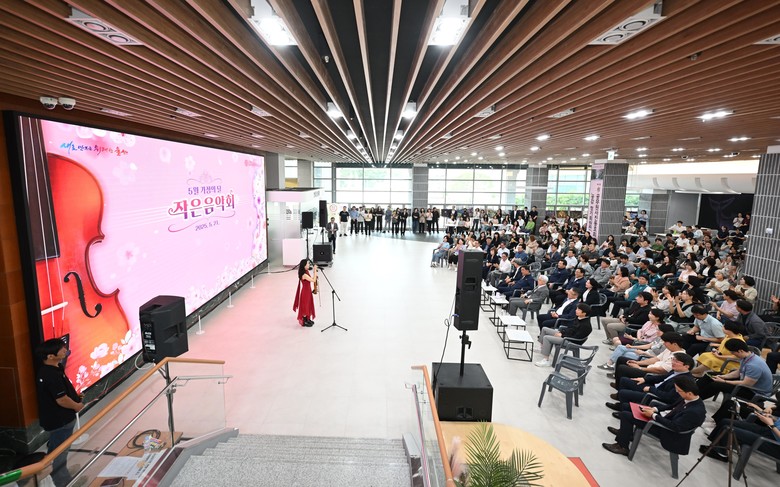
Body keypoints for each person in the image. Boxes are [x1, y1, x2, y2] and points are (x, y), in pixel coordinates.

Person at [602, 375, 706, 457]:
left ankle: (622, 446)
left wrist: (653, 416)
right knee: (627, 406)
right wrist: (654, 409)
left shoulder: (695, 411)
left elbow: (675, 427)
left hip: (667, 431)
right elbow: (671, 406)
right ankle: (626, 434)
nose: (677, 392)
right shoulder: (689, 398)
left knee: (626, 415)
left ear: (689, 393)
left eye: (678, 391)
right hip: (664, 418)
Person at [36, 338, 84, 487]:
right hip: (60, 421)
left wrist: (75, 396)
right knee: (60, 452)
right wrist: (76, 406)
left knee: (57, 448)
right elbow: (61, 400)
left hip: (61, 419)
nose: (65, 350)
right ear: (50, 356)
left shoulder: (55, 368)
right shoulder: (50, 375)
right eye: (61, 349)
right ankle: (62, 480)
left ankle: (61, 472)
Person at [293, 259, 317, 327]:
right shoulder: (304, 275)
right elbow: (313, 280)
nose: (309, 265)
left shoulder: (306, 271)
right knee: (305, 306)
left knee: (308, 305)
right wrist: (315, 271)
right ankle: (304, 321)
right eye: (308, 264)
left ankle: (307, 318)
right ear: (304, 266)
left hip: (308, 291)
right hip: (305, 292)